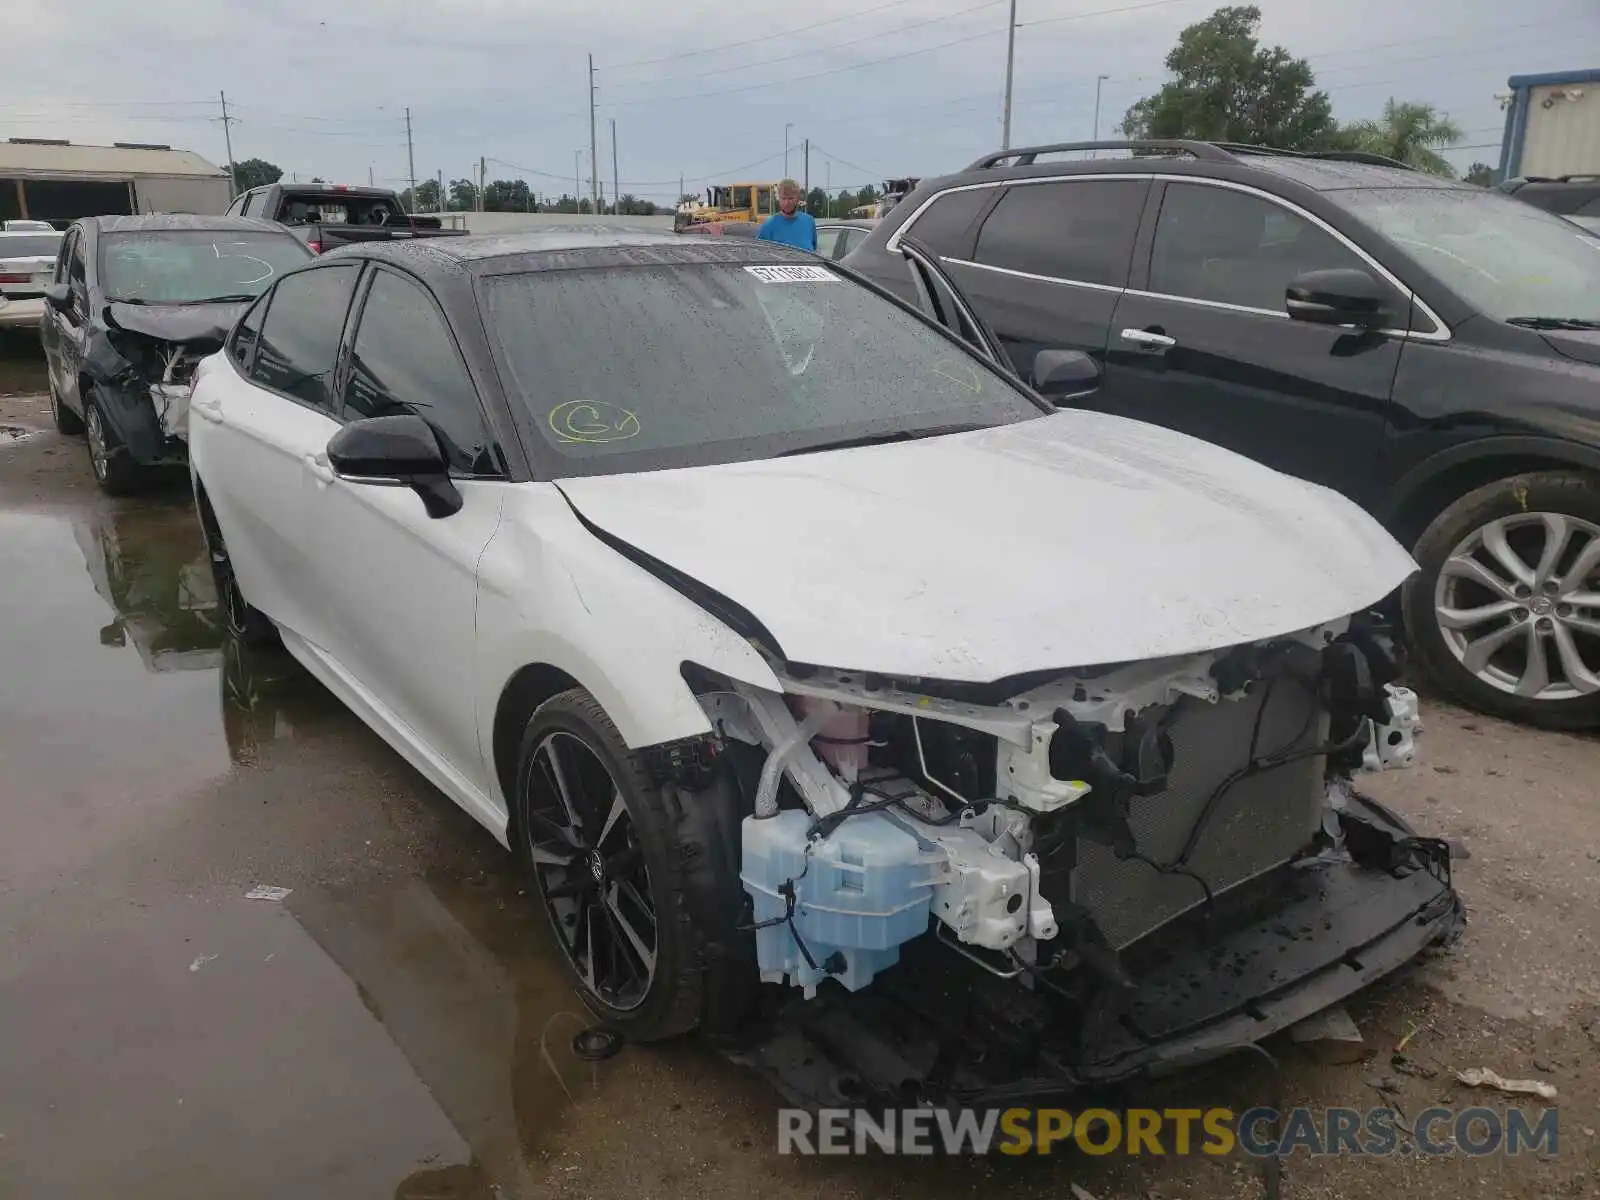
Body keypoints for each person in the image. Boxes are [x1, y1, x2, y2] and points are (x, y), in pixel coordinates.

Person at [755, 179, 817, 252]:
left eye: (790, 198)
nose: (786, 203)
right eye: (783, 198)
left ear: (797, 198)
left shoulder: (809, 222)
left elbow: (814, 250)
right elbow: (758, 253)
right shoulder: (769, 225)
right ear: (778, 198)